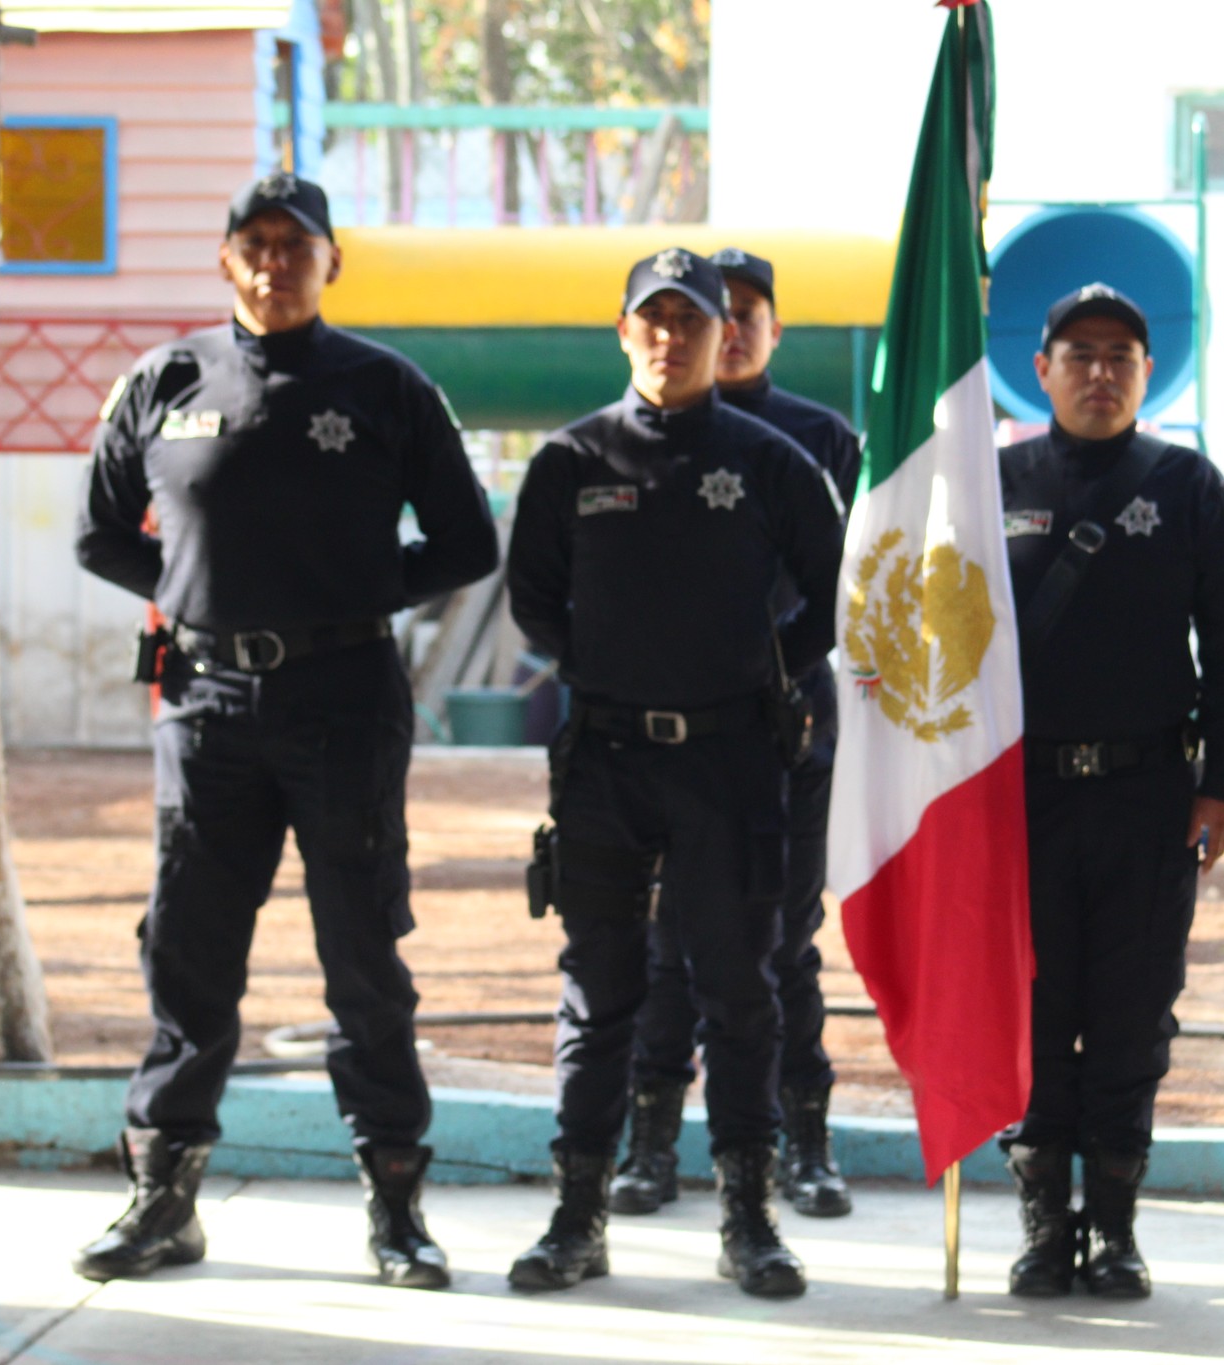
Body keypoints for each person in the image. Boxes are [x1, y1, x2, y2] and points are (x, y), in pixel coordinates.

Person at [72, 173, 499, 1289]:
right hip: (205, 709)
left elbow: (464, 543)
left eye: (294, 246)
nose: (273, 263)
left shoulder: (386, 388)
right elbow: (97, 533)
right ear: (225, 261)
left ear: (329, 262)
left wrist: (356, 590)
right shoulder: (164, 380)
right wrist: (191, 593)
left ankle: (397, 1211)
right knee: (189, 951)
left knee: (362, 954)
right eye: (253, 245)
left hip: (343, 699)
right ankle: (162, 1201)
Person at [504, 247, 845, 1299]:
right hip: (605, 763)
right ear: (622, 333)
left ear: (717, 335)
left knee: (740, 991)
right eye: (650, 321)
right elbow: (534, 602)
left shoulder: (774, 461)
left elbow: (825, 604)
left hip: (731, 763)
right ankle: (577, 1217)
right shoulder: (571, 460)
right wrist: (609, 676)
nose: (671, 338)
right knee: (600, 992)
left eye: (690, 321)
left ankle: (749, 1219)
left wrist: (747, 679)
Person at [996, 285, 1224, 1299]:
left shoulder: (1186, 485)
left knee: (1130, 1017)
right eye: (1079, 354)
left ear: (1146, 374)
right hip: (1020, 803)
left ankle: (1112, 1228)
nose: (1099, 372)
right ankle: (1039, 1225)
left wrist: (1221, 782)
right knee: (1032, 1010)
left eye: (1121, 356)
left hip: (1147, 799)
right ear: (1042, 369)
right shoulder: (990, 480)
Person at [608, 247, 864, 1221]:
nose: (736, 327)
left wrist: (767, 667)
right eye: (724, 309)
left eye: (752, 311)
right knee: (665, 945)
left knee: (782, 947)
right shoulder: (630, 437)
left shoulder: (820, 438)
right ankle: (649, 1146)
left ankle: (801, 1143)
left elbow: (851, 585)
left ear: (767, 329)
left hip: (785, 732)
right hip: (658, 739)